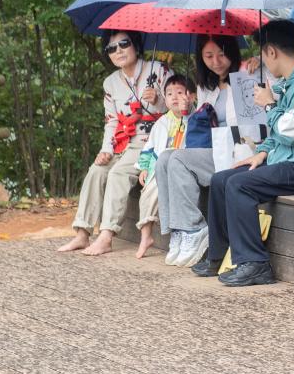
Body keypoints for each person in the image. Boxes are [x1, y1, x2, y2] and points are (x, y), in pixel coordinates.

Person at [196, 19, 294, 287]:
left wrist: (268, 105)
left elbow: (292, 130)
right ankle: (218, 256)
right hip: (290, 160)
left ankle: (254, 263)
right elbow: (279, 136)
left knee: (240, 185)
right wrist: (263, 152)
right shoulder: (290, 82)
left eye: (263, 55)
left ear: (271, 52)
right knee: (222, 178)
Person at [157, 34, 269, 270]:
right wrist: (190, 110)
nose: (216, 61)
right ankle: (177, 230)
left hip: (240, 151)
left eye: (221, 54)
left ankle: (194, 227)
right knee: (164, 158)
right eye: (208, 56)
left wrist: (260, 61)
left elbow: (260, 120)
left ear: (232, 51)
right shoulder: (204, 85)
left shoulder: (246, 74)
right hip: (215, 150)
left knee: (178, 159)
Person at [58, 29, 169, 256]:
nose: (118, 51)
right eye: (111, 48)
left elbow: (178, 107)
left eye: (124, 44)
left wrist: (158, 100)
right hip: (122, 138)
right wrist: (106, 149)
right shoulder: (110, 83)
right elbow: (111, 121)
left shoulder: (158, 71)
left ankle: (107, 235)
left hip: (148, 140)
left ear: (136, 45)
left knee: (118, 173)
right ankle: (82, 232)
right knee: (97, 170)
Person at [134, 74, 194, 260]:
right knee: (148, 192)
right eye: (169, 94)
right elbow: (149, 147)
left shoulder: (195, 118)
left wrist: (186, 114)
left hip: (182, 168)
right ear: (165, 99)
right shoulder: (161, 123)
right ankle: (146, 236)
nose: (175, 97)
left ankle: (179, 235)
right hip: (159, 168)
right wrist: (144, 168)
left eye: (180, 92)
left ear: (191, 96)